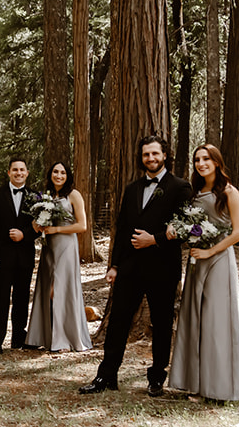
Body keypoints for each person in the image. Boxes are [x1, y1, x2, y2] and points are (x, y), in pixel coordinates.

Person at [79, 135, 191, 397]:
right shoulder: (132, 189)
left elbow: (186, 230)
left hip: (163, 268)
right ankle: (106, 376)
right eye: (145, 155)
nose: (150, 159)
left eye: (155, 154)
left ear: (165, 155)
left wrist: (155, 240)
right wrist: (115, 265)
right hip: (130, 268)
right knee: (118, 322)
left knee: (162, 325)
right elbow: (122, 229)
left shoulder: (180, 187)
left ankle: (156, 378)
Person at [168, 144, 239, 402]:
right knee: (194, 318)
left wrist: (210, 252)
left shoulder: (229, 192)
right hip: (196, 260)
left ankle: (218, 388)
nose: (201, 164)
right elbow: (191, 225)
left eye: (206, 159)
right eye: (197, 160)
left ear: (216, 162)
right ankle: (193, 382)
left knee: (215, 321)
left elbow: (238, 232)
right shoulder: (195, 194)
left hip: (219, 260)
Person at [25, 160, 92, 353]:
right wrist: (37, 224)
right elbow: (37, 223)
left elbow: (82, 226)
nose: (59, 176)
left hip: (66, 246)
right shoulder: (45, 196)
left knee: (59, 290)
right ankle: (47, 337)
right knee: (47, 290)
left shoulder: (74, 195)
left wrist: (56, 229)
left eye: (62, 173)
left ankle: (64, 339)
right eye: (55, 172)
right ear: (51, 174)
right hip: (49, 248)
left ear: (67, 175)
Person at [0, 157, 39, 353]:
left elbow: (40, 227)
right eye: (15, 170)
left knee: (22, 298)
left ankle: (18, 338)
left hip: (25, 256)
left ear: (27, 173)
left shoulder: (35, 197)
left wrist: (25, 234)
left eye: (22, 170)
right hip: (2, 257)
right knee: (0, 298)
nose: (18, 173)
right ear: (9, 172)